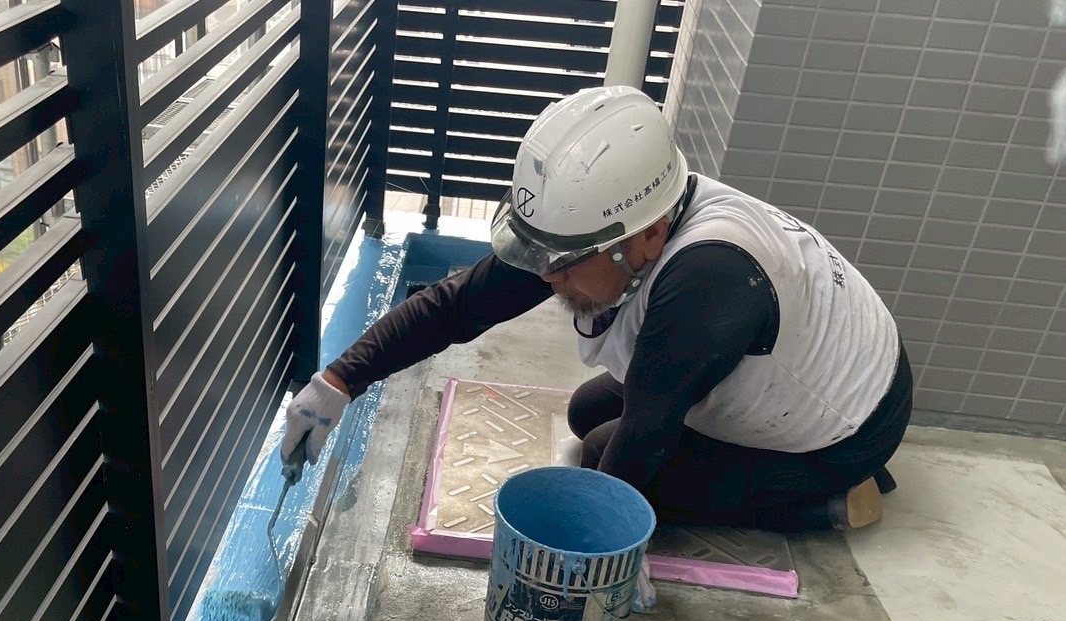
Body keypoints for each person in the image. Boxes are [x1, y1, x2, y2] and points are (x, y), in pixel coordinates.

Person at [281, 86, 913, 531]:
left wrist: (603, 549)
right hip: (779, 364)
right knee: (587, 411)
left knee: (605, 454)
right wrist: (337, 383)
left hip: (847, 424)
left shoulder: (706, 281)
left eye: (564, 263)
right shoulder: (599, 228)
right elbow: (456, 307)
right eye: (541, 256)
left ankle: (831, 499)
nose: (546, 277)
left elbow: (646, 435)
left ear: (650, 236)